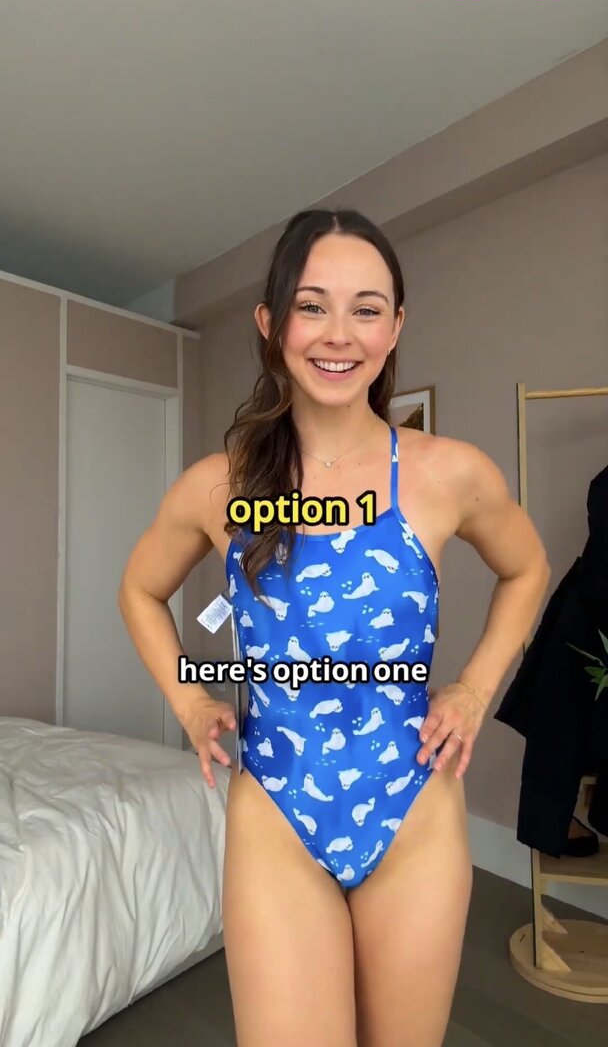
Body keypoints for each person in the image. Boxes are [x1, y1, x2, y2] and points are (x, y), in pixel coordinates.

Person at [118, 208, 550, 1047]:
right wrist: (192, 702)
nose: (339, 333)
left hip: (414, 812)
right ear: (270, 321)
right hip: (276, 812)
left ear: (396, 326)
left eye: (366, 308)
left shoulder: (448, 473)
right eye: (311, 306)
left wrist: (472, 689)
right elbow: (140, 590)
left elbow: (527, 568)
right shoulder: (217, 487)